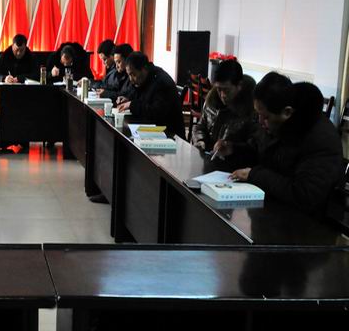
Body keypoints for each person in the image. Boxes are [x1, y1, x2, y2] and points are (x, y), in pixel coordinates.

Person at [215, 74, 344, 214]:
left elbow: (304, 195)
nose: (260, 121)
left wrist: (255, 175)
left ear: (287, 112)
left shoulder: (321, 139)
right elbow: (258, 150)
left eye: (265, 117)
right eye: (258, 114)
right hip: (270, 207)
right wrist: (233, 150)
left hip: (308, 220)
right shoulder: (274, 121)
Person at [192, 59, 256, 153]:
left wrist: (232, 148)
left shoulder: (251, 109)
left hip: (234, 161)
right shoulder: (212, 102)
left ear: (239, 85)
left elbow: (255, 147)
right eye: (219, 89)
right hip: (209, 157)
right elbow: (200, 126)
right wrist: (200, 140)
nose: (222, 95)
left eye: (227, 90)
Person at [117, 52, 185, 138]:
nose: (131, 79)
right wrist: (128, 100)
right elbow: (142, 99)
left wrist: (132, 104)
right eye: (129, 75)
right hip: (153, 127)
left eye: (133, 74)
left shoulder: (161, 82)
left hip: (169, 133)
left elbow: (156, 113)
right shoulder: (145, 78)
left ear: (144, 69)